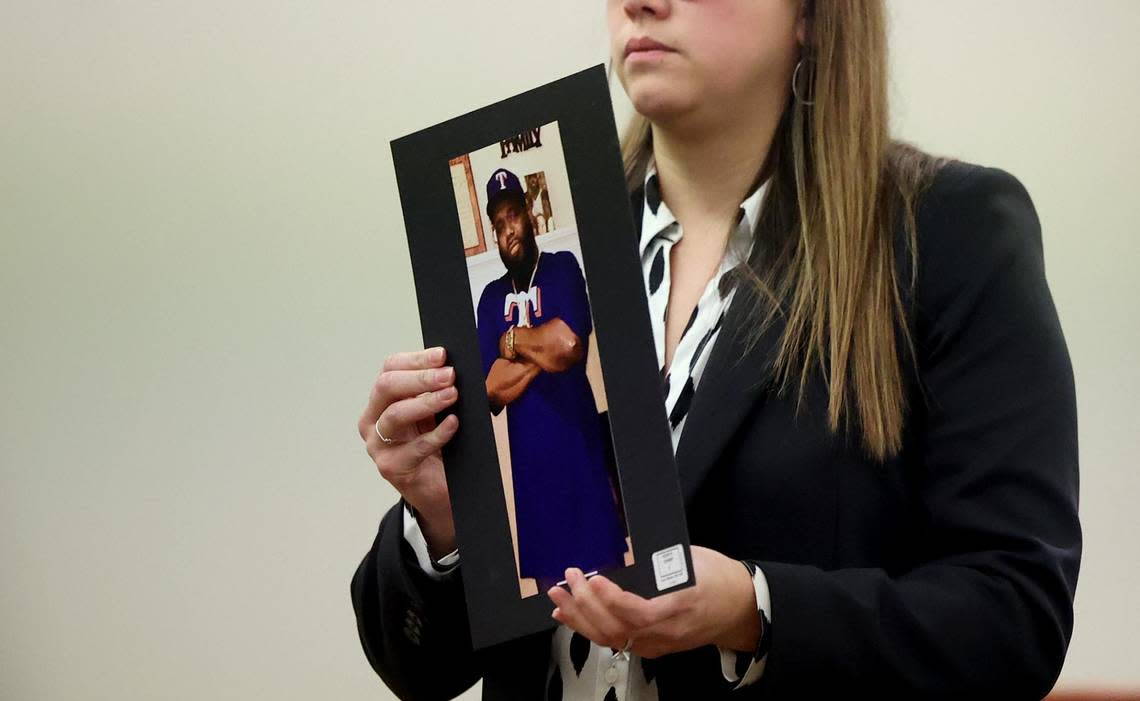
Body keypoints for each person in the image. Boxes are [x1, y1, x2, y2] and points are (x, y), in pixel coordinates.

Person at [352, 1, 1081, 699]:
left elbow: (1015, 618)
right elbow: (418, 666)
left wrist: (757, 609)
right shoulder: (568, 250)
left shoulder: (948, 235)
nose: (640, 2)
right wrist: (446, 524)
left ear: (811, 13)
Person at [476, 166, 628, 592]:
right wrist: (544, 348)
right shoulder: (490, 300)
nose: (509, 229)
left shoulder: (562, 269)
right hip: (534, 484)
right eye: (499, 223)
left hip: (583, 468)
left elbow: (569, 347)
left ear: (530, 214)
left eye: (514, 214)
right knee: (557, 615)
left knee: (613, 598)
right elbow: (492, 388)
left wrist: (512, 340)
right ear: (494, 233)